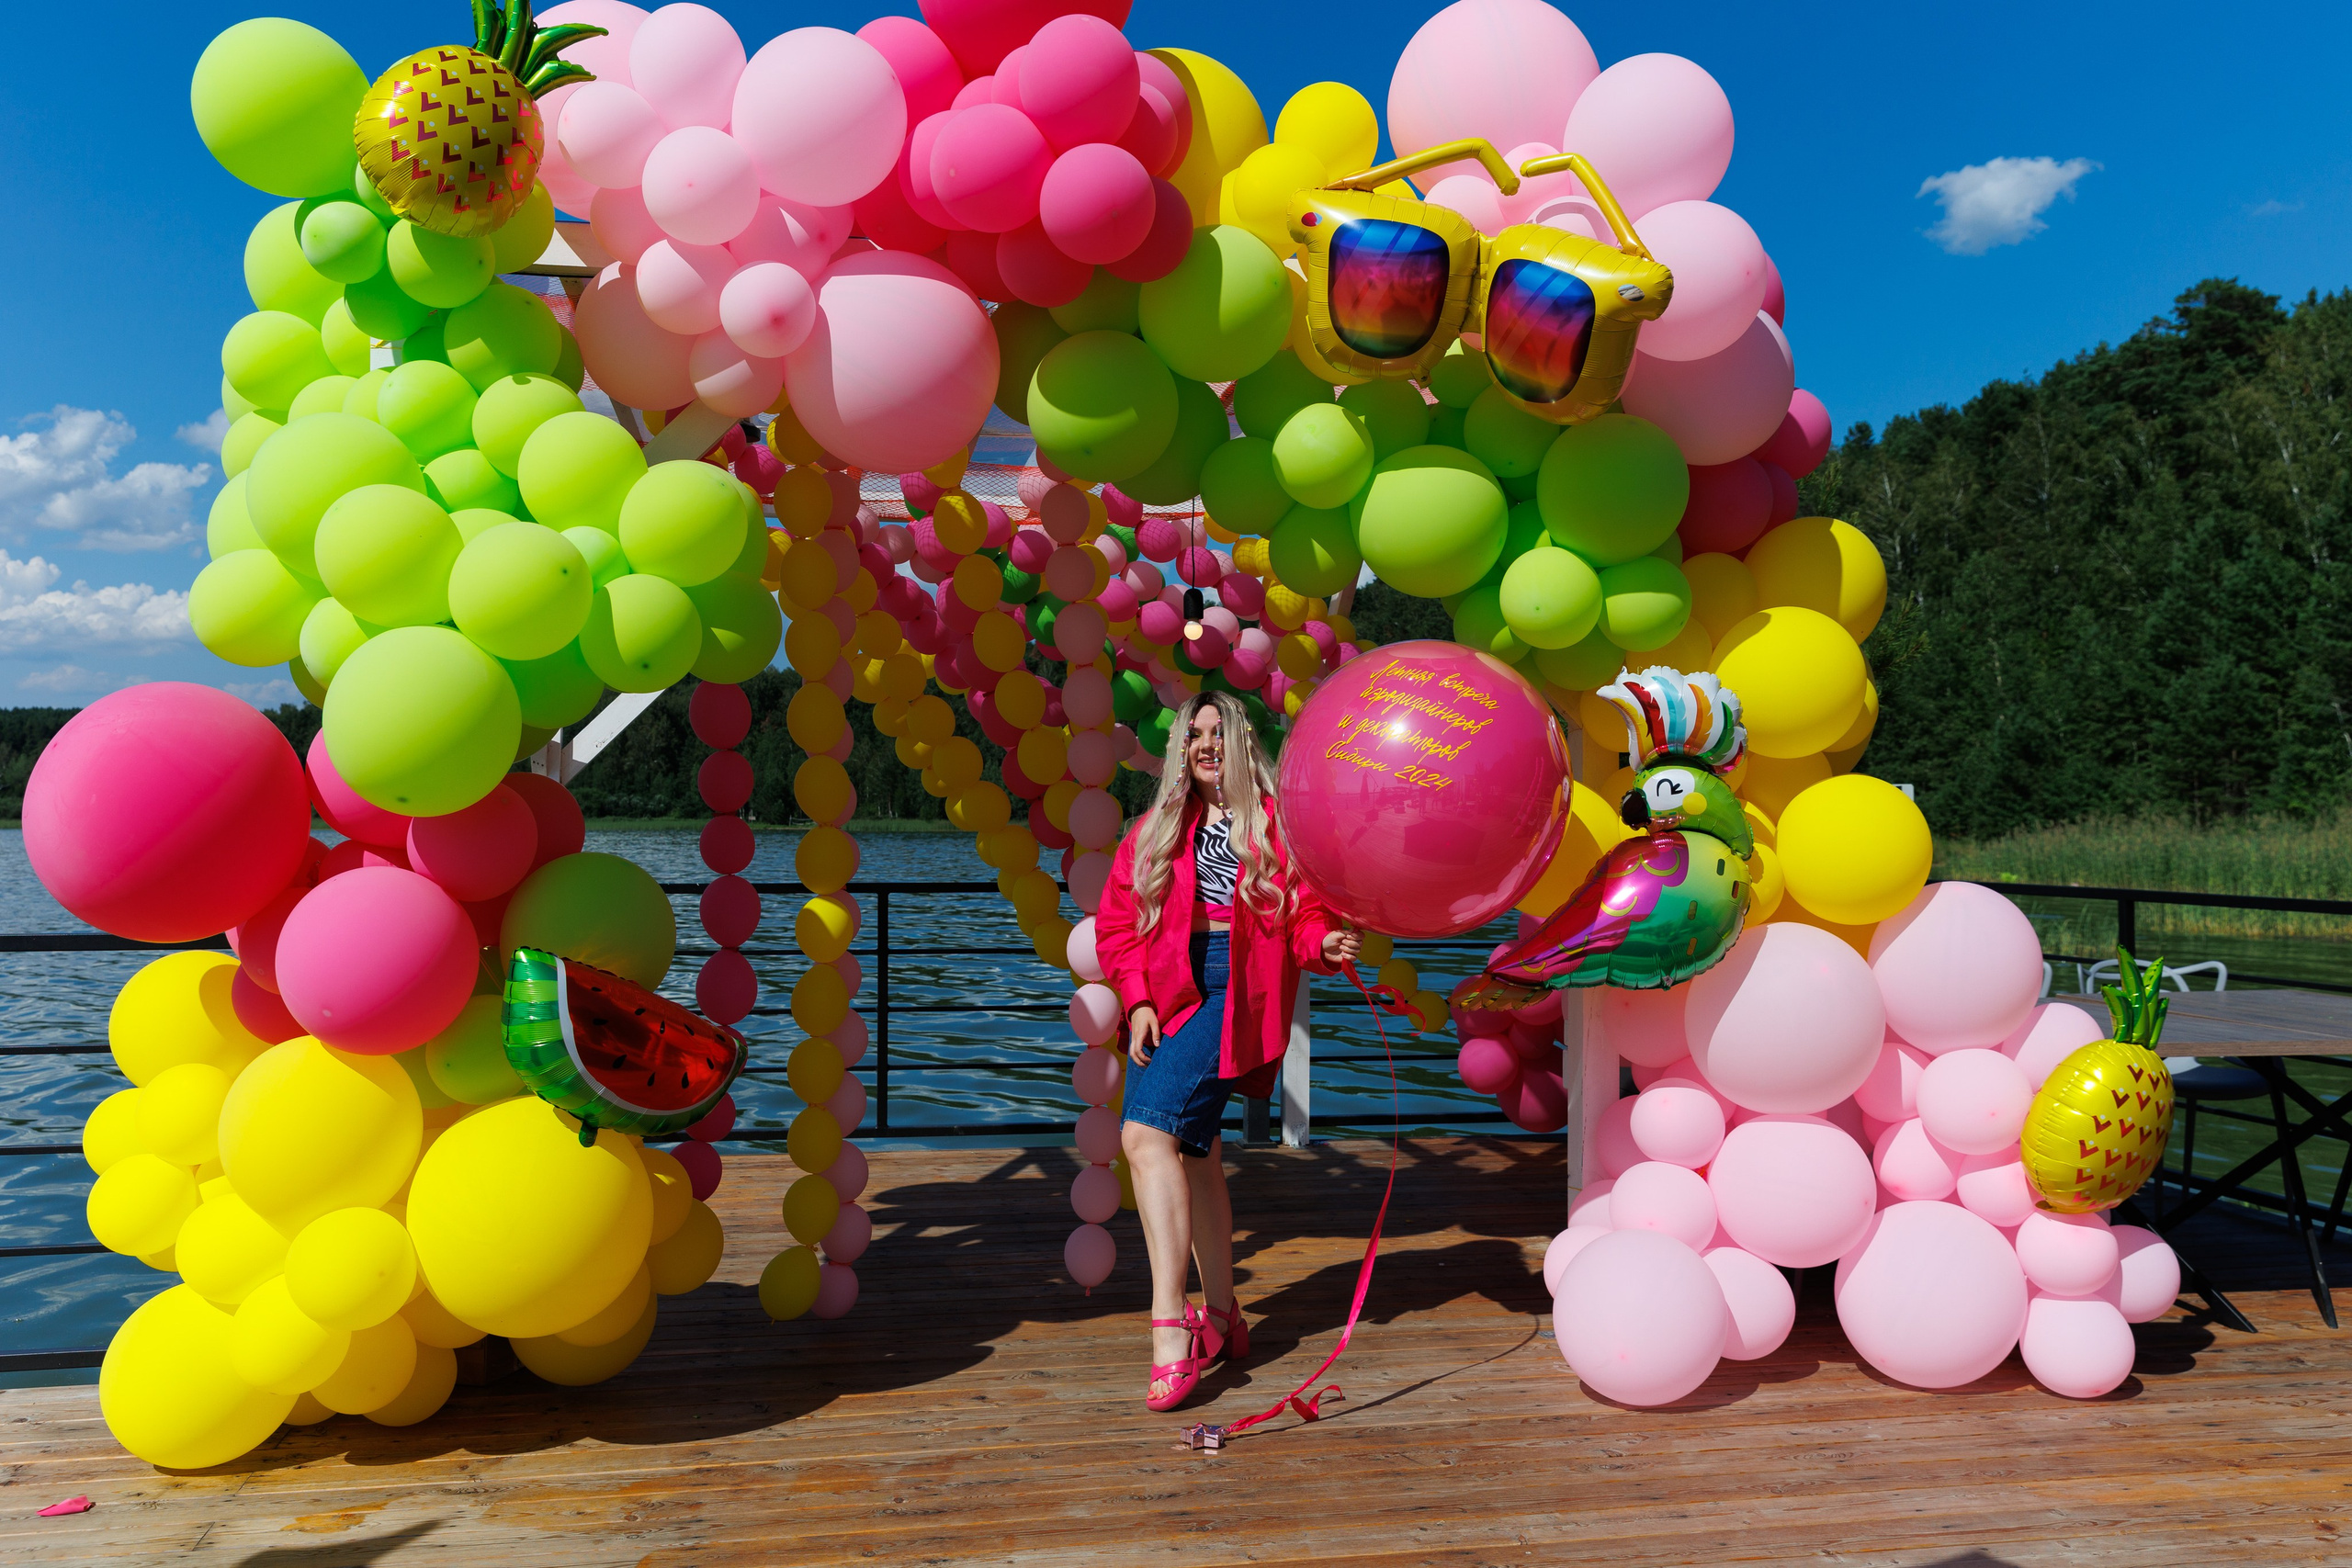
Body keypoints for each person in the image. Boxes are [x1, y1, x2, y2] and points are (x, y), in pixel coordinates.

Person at [1094, 691, 1363, 1411]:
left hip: (1234, 988)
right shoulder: (1157, 828)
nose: (1206, 743)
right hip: (1169, 990)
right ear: (1182, 748)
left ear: (1240, 741)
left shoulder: (1276, 824)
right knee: (1195, 1149)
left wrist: (1324, 943)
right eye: (1195, 733)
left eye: (1218, 731)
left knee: (1143, 1136)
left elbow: (1304, 915)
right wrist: (1138, 999)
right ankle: (1223, 1314)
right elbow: (1117, 923)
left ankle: (1169, 1327)